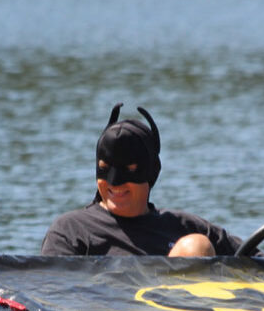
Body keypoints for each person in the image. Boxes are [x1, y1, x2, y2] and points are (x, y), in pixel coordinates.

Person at [40, 103, 241, 257]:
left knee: (196, 246)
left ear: (152, 172)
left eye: (130, 170)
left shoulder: (188, 227)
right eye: (104, 169)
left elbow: (256, 261)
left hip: (182, 300)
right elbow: (52, 290)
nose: (115, 182)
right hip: (106, 301)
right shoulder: (70, 231)